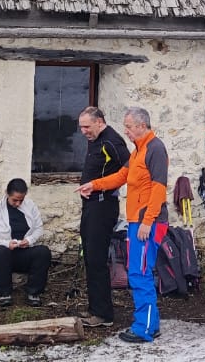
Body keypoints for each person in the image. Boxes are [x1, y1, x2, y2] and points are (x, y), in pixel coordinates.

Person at [78, 107, 168, 344]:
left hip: (148, 223)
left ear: (142, 125)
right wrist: (94, 185)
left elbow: (159, 189)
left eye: (129, 127)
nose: (125, 131)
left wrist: (147, 221)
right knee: (137, 271)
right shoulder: (138, 151)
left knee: (140, 273)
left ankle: (144, 329)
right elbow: (121, 176)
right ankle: (150, 324)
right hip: (136, 221)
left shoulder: (155, 149)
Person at [75, 106, 129, 328]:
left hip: (103, 206)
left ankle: (103, 314)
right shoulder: (95, 139)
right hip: (91, 205)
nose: (84, 131)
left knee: (97, 258)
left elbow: (129, 168)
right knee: (90, 256)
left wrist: (102, 186)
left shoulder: (112, 141)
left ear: (99, 122)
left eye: (87, 127)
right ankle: (95, 307)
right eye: (81, 127)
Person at [0, 178, 51, 308]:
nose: (18, 203)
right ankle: (4, 294)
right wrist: (6, 243)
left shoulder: (30, 206)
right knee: (0, 252)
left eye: (21, 200)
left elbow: (38, 228)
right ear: (7, 194)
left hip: (23, 254)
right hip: (2, 257)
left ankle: (34, 293)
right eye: (15, 200)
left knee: (43, 252)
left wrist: (29, 240)